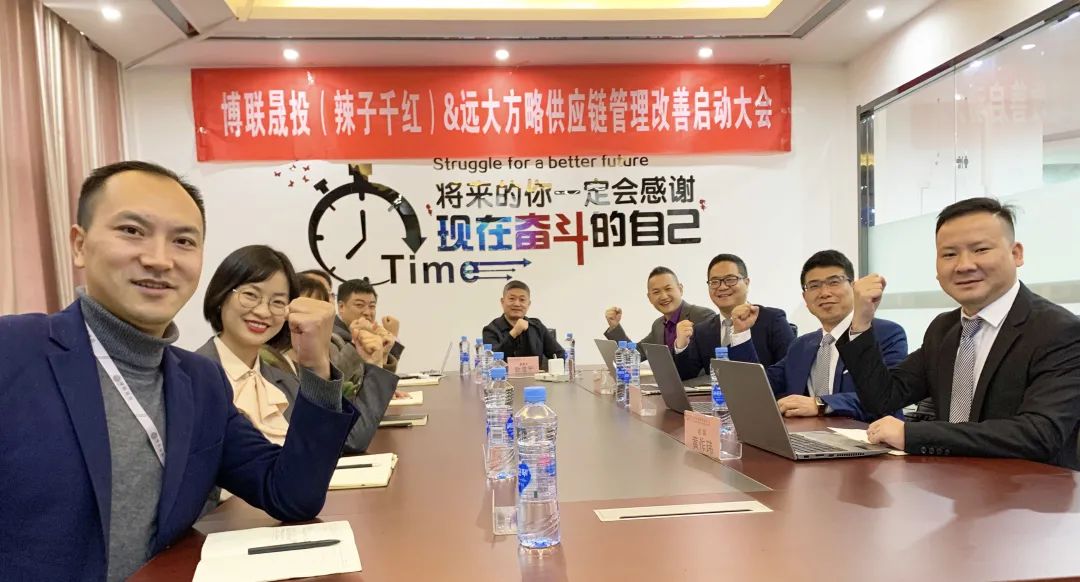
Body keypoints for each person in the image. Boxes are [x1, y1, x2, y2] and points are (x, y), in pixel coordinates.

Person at [0, 161, 362, 581]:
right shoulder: (14, 351)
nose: (159, 259)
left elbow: (290, 494)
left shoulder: (201, 383)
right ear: (79, 245)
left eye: (183, 241)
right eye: (131, 230)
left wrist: (315, 367)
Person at [838, 198, 1080, 468]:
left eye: (980, 249)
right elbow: (884, 398)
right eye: (949, 254)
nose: (964, 265)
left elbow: (1040, 434)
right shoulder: (944, 328)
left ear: (1016, 254)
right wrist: (861, 322)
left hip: (1028, 489)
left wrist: (913, 435)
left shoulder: (1059, 330)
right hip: (949, 483)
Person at [196, 245, 397, 454]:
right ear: (221, 296)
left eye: (277, 302)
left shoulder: (282, 379)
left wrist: (323, 364)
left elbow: (332, 443)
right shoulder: (191, 379)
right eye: (250, 295)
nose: (263, 311)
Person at [728, 250, 908, 422]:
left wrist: (821, 404)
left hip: (867, 438)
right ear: (805, 299)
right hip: (807, 438)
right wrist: (741, 333)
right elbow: (756, 389)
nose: (824, 293)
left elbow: (888, 397)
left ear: (854, 288)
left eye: (834, 282)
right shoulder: (801, 346)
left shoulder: (886, 334)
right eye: (814, 286)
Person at [674, 253, 795, 380]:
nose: (722, 287)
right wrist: (681, 346)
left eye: (730, 279)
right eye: (714, 282)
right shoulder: (702, 330)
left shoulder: (772, 320)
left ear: (746, 283)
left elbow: (792, 370)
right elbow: (686, 377)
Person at [603, 266, 714, 359]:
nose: (664, 296)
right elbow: (636, 353)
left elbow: (712, 364)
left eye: (668, 289)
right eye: (656, 292)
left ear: (680, 289)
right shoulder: (658, 325)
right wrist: (614, 326)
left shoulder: (703, 316)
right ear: (649, 298)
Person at [483, 280, 566, 369]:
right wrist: (514, 333)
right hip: (503, 378)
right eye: (512, 299)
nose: (517, 304)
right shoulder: (490, 330)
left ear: (528, 304)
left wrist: (546, 373)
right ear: (502, 302)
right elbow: (492, 362)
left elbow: (560, 355)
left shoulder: (537, 326)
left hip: (535, 377)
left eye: (522, 300)